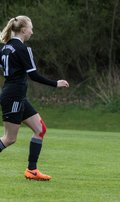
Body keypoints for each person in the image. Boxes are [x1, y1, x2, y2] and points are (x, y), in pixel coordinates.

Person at [0, 16, 69, 181]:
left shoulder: (5, 48)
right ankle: (31, 170)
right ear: (23, 30)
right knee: (10, 138)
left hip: (16, 95)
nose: (32, 31)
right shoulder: (23, 49)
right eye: (31, 28)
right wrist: (55, 83)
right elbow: (34, 75)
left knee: (40, 129)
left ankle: (32, 170)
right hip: (13, 97)